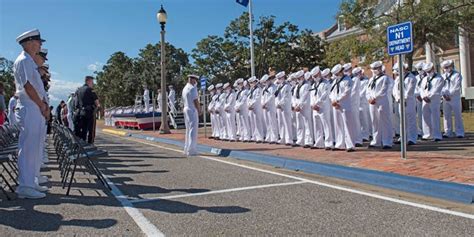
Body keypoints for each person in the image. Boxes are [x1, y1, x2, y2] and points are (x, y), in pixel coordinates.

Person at [13, 29, 49, 199]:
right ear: (29, 42)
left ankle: (31, 181)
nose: (40, 45)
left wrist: (42, 105)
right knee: (28, 148)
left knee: (34, 148)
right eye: (38, 41)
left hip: (35, 106)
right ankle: (25, 186)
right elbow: (28, 86)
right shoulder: (23, 60)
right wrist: (41, 105)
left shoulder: (29, 61)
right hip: (30, 106)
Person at [366, 61, 392, 149]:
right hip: (372, 103)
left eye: (375, 69)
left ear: (380, 68)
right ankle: (376, 141)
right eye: (373, 69)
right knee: (375, 122)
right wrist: (369, 98)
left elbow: (383, 90)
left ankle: (387, 141)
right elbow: (368, 91)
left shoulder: (385, 78)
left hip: (381, 102)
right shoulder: (371, 79)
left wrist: (374, 98)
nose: (374, 71)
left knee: (385, 121)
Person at [329, 64, 355, 152]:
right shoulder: (335, 81)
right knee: (338, 125)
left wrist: (337, 100)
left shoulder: (348, 80)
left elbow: (346, 92)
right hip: (336, 105)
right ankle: (340, 144)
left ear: (341, 72)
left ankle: (350, 145)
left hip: (344, 105)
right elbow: (331, 92)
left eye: (337, 74)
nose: (336, 76)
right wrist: (333, 100)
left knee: (348, 125)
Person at [392, 62, 417, 145]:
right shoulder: (398, 79)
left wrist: (404, 98)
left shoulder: (411, 78)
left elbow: (410, 90)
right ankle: (403, 137)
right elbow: (395, 89)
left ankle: (412, 138)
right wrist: (397, 98)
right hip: (399, 101)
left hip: (408, 101)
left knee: (410, 120)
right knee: (402, 120)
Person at [441, 59, 464, 138]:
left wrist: (449, 95)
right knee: (446, 115)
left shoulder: (457, 75)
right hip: (445, 98)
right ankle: (448, 131)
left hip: (455, 98)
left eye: (447, 67)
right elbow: (441, 87)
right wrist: (444, 95)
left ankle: (459, 132)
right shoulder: (443, 76)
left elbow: (456, 87)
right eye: (444, 67)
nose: (446, 69)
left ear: (451, 66)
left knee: (457, 115)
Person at [420, 62, 444, 141]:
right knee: (425, 117)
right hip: (425, 100)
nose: (428, 73)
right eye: (426, 72)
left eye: (429, 71)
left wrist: (428, 96)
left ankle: (437, 135)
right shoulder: (424, 79)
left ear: (433, 69)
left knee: (435, 117)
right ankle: (427, 134)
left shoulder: (439, 78)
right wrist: (423, 96)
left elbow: (436, 89)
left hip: (434, 100)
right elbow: (421, 89)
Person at [75, 76, 100, 143]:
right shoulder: (90, 90)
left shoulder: (78, 90)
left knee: (83, 130)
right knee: (91, 131)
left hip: (80, 113)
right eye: (92, 82)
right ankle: (90, 144)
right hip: (89, 113)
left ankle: (82, 144)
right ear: (88, 81)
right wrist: (96, 108)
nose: (93, 83)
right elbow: (97, 103)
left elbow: (76, 104)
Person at [293, 70, 313, 148]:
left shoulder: (307, 85)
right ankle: (300, 140)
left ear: (302, 77)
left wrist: (299, 105)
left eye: (299, 78)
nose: (298, 79)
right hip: (298, 107)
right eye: (297, 78)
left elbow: (304, 96)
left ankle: (309, 141)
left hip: (305, 107)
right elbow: (294, 97)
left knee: (307, 124)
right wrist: (295, 105)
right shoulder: (297, 86)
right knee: (299, 124)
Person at [182, 75, 201, 156]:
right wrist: (199, 109)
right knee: (193, 129)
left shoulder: (185, 88)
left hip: (186, 108)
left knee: (188, 129)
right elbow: (195, 101)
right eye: (195, 80)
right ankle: (192, 150)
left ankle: (186, 148)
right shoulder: (192, 88)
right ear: (193, 80)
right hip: (191, 109)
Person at [275, 72, 293, 146]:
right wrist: (277, 104)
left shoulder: (287, 86)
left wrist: (280, 104)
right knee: (281, 123)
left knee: (287, 123)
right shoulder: (279, 86)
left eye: (279, 78)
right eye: (278, 79)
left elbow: (285, 97)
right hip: (279, 107)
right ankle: (282, 138)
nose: (278, 80)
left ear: (283, 78)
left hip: (285, 106)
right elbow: (276, 96)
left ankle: (289, 139)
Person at [261, 74, 278, 144]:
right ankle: (269, 137)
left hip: (271, 106)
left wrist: (265, 103)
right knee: (267, 122)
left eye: (266, 81)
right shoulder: (264, 88)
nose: (265, 83)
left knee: (272, 122)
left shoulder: (273, 87)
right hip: (265, 107)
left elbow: (272, 96)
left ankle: (274, 138)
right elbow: (262, 97)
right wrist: (262, 104)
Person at [247, 76, 264, 143]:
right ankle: (254, 136)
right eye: (250, 83)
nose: (251, 84)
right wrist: (248, 105)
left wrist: (251, 105)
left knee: (258, 122)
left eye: (252, 82)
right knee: (252, 122)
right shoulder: (251, 90)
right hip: (251, 108)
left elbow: (257, 99)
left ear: (255, 82)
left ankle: (260, 137)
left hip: (256, 107)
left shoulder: (258, 89)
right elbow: (248, 99)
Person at [359, 70, 371, 142]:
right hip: (357, 103)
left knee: (365, 119)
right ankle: (361, 134)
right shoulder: (356, 81)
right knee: (360, 119)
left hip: (364, 102)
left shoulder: (366, 81)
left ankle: (366, 135)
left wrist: (357, 96)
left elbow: (364, 91)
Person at [414, 62, 426, 138]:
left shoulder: (427, 77)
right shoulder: (416, 78)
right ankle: (419, 130)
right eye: (418, 69)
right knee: (419, 115)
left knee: (427, 115)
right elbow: (415, 88)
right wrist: (417, 95)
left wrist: (423, 96)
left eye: (421, 69)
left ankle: (427, 131)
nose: (419, 71)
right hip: (417, 98)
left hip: (426, 98)